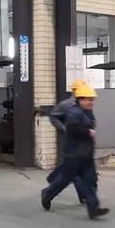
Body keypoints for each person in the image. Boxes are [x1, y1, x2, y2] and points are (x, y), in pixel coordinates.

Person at [41, 83, 109, 220]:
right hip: (74, 155)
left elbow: (92, 122)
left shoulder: (87, 111)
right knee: (64, 180)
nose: (92, 102)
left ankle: (93, 208)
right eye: (89, 100)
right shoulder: (73, 112)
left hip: (86, 154)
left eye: (92, 100)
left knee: (89, 181)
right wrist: (87, 132)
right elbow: (72, 129)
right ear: (81, 99)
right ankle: (47, 194)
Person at [47, 78, 90, 204]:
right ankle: (83, 194)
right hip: (71, 139)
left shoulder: (84, 104)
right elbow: (53, 116)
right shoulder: (65, 105)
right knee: (74, 167)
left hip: (82, 139)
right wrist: (64, 129)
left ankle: (53, 177)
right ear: (75, 91)